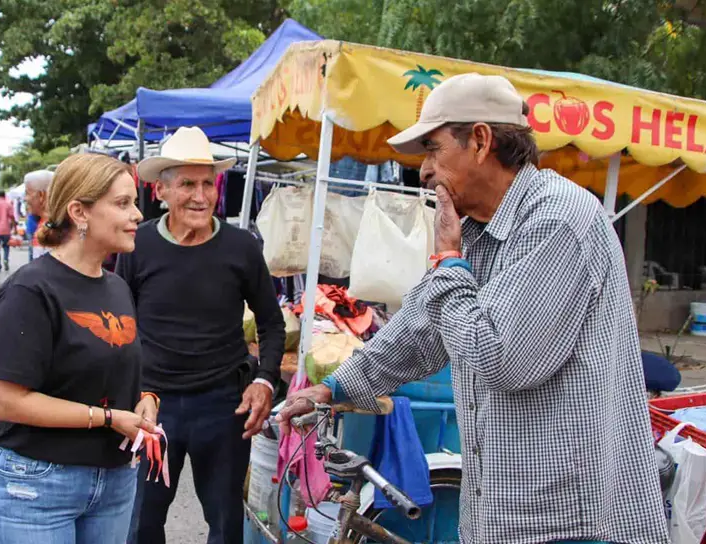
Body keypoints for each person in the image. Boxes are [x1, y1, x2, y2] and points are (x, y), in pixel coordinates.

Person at [277, 73, 669, 544]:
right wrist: (334, 389)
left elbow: (503, 360)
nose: (423, 170)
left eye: (433, 150)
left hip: (567, 518)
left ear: (481, 141)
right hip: (503, 510)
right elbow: (422, 326)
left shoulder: (559, 220)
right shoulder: (480, 232)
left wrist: (447, 260)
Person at [118, 126, 286, 544]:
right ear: (162, 191)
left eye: (208, 183)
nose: (200, 195)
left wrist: (265, 381)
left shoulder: (241, 247)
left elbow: (271, 322)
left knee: (227, 522)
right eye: (188, 184)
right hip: (154, 407)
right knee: (140, 522)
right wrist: (126, 397)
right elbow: (120, 327)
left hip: (223, 406)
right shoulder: (137, 246)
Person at [0, 154, 157, 544]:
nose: (138, 215)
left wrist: (145, 399)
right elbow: (7, 401)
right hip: (37, 486)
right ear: (79, 212)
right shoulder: (30, 290)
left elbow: (113, 368)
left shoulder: (116, 286)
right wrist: (109, 418)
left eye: (134, 203)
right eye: (123, 203)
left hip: (114, 480)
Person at [24, 169, 55, 261]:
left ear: (41, 195)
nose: (25, 199)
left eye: (27, 193)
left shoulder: (52, 231)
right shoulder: (44, 224)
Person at [0, 191, 17, 271]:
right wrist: (15, 228)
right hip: (6, 229)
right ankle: (5, 259)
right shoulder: (8, 204)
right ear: (4, 196)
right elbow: (12, 217)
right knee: (6, 246)